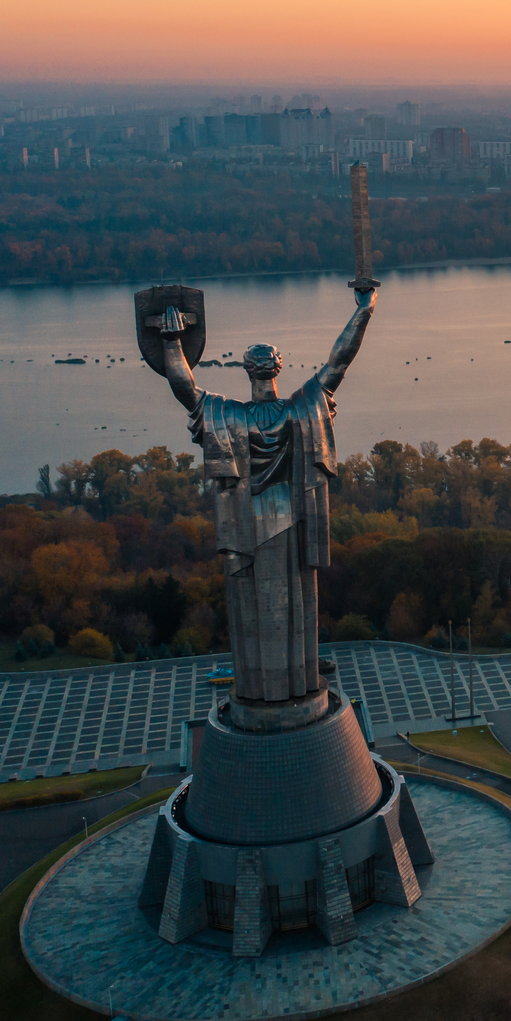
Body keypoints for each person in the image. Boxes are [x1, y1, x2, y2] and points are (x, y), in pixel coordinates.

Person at [153, 288, 376, 722]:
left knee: (252, 609)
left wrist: (171, 342)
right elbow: (339, 362)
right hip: (291, 521)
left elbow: (186, 389)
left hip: (245, 525)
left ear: (246, 370)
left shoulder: (227, 416)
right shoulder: (299, 410)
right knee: (295, 604)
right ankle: (298, 686)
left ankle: (258, 690)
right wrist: (364, 311)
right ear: (277, 368)